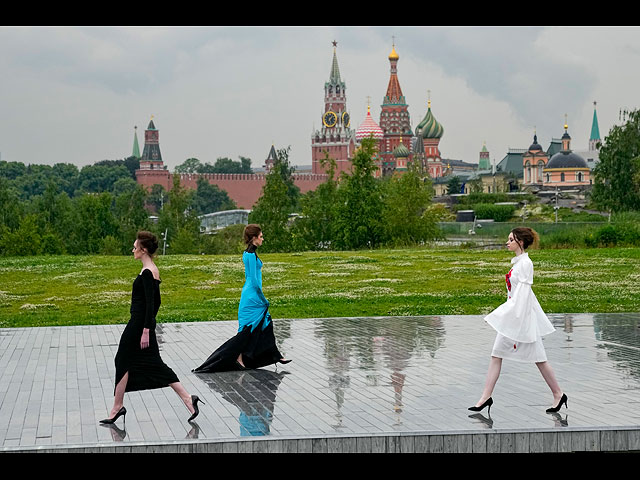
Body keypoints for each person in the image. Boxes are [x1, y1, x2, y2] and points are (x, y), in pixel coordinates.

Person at [100, 231, 203, 425]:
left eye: (135, 246)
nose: (133, 250)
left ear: (143, 249)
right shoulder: (152, 270)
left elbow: (151, 303)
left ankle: (117, 407)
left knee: (122, 360)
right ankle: (189, 399)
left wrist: (146, 329)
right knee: (154, 364)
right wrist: (149, 326)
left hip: (138, 325)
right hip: (141, 324)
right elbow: (157, 302)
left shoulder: (148, 272)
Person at [469, 227, 567, 414]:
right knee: (499, 355)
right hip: (516, 317)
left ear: (520, 242)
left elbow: (522, 296)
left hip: (520, 319)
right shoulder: (519, 263)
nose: (507, 242)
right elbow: (515, 296)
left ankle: (558, 394)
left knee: (537, 359)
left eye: (511, 240)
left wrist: (504, 316)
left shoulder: (525, 264)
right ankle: (485, 397)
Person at [193, 224, 291, 373]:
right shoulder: (250, 255)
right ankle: (237, 358)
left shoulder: (250, 253)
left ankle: (276, 355)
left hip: (251, 296)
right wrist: (263, 298)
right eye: (261, 236)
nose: (263, 239)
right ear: (254, 238)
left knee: (266, 324)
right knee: (245, 332)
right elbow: (253, 281)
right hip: (252, 298)